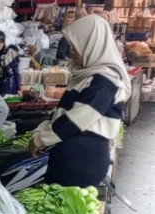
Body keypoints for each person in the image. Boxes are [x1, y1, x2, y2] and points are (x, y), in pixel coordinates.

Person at [29, 15, 131, 187]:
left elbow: (75, 120)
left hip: (82, 162)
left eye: (76, 46)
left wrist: (41, 140)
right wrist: (40, 133)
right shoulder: (89, 76)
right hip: (71, 159)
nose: (72, 52)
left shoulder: (105, 81)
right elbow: (62, 112)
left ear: (92, 44)